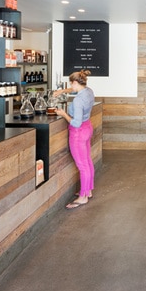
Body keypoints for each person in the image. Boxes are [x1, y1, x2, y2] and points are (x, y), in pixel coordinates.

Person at [55, 69, 95, 209]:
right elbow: (73, 91)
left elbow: (76, 122)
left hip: (78, 132)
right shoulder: (88, 91)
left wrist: (63, 114)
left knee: (82, 166)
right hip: (88, 128)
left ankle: (82, 197)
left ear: (76, 82)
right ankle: (87, 190)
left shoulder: (78, 101)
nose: (71, 86)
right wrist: (62, 92)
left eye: (71, 84)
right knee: (87, 161)